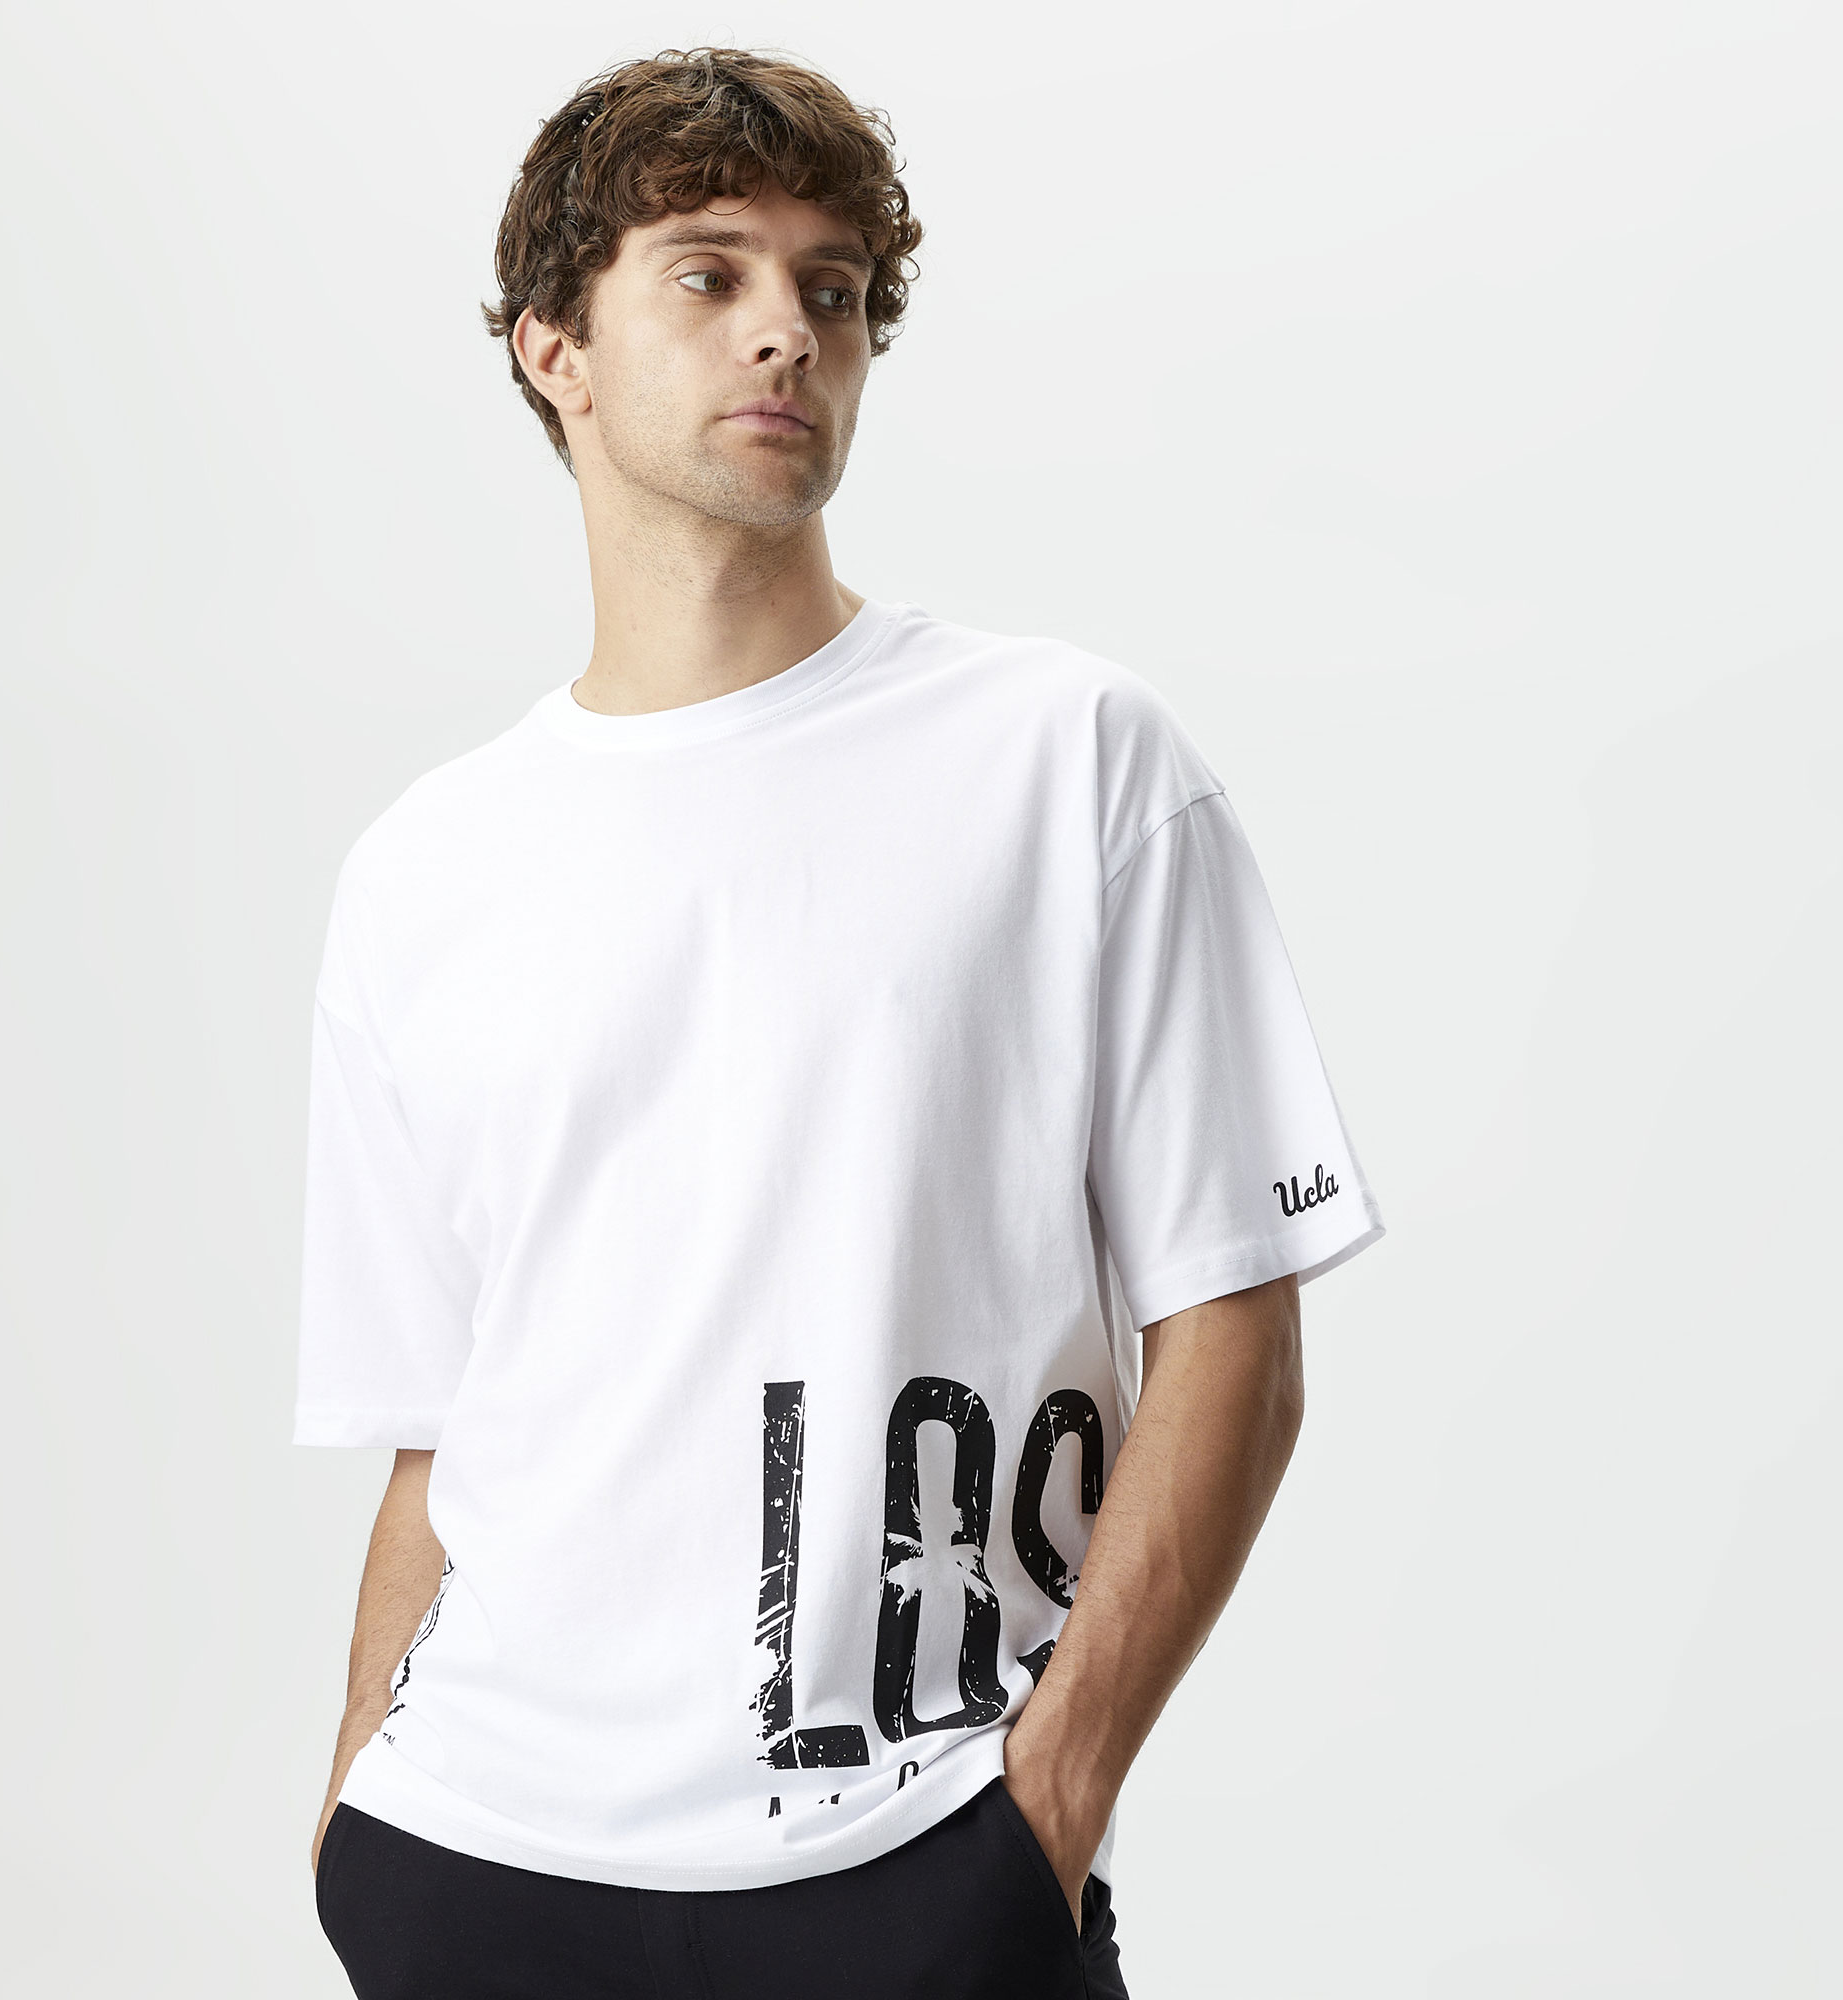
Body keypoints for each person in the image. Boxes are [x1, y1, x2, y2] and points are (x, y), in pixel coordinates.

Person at [293, 44, 1384, 2000]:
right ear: (553, 348)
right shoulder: (423, 867)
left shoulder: (1068, 761)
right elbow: (438, 1432)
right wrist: (353, 1800)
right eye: (708, 275)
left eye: (835, 288)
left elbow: (1234, 1327)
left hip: (913, 1860)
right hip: (473, 1863)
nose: (788, 331)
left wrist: (1049, 1801)